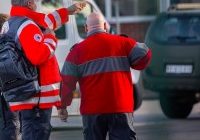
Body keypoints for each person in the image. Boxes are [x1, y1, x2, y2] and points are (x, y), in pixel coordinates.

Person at [2, 0, 86, 140]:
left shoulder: (10, 24)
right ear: (29, 4)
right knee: (36, 133)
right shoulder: (27, 25)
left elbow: (44, 20)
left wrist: (66, 11)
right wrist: (50, 38)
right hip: (36, 97)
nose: (36, 5)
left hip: (22, 92)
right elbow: (38, 56)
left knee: (29, 131)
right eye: (35, 2)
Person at [57, 12, 151, 140]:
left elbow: (66, 81)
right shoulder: (123, 43)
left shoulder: (76, 52)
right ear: (105, 26)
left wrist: (62, 106)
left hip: (92, 111)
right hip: (120, 108)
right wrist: (135, 63)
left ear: (85, 28)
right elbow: (145, 53)